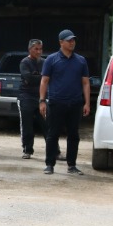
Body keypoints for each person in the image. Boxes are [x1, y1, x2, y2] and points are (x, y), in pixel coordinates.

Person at [39, 29, 90, 176]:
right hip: (56, 103)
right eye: (69, 40)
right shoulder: (51, 60)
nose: (72, 43)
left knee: (74, 135)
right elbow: (44, 81)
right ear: (61, 42)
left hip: (75, 103)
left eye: (73, 40)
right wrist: (42, 101)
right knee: (52, 134)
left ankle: (72, 165)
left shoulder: (81, 60)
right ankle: (49, 164)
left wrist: (87, 103)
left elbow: (85, 82)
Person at [17, 39, 47, 160]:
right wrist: (43, 78)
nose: (39, 51)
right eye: (36, 49)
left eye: (40, 49)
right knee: (27, 125)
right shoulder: (25, 62)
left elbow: (49, 77)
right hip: (26, 96)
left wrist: (38, 77)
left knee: (47, 124)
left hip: (41, 97)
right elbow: (28, 78)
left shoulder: (45, 62)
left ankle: (54, 151)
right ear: (30, 49)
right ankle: (27, 150)